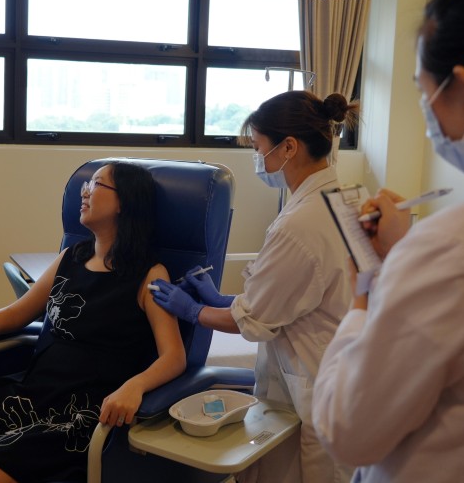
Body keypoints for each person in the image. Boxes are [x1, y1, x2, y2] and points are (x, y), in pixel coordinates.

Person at [0, 161, 186, 483]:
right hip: (31, 393)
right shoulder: (71, 257)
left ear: (124, 201)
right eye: (86, 185)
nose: (84, 192)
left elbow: (173, 356)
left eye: (96, 184)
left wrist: (135, 386)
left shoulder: (150, 275)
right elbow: (16, 314)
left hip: (80, 414)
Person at [312, 0, 464, 482]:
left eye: (422, 91)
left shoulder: (453, 249)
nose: (426, 111)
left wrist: (366, 293)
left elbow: (349, 430)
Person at [150, 90, 359, 483]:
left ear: (289, 147)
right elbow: (295, 295)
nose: (258, 160)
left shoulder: (300, 224)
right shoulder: (344, 198)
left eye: (259, 148)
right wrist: (225, 300)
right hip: (344, 370)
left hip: (318, 382)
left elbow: (255, 320)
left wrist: (194, 311)